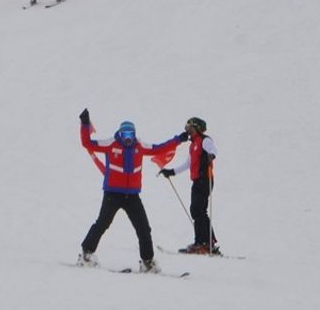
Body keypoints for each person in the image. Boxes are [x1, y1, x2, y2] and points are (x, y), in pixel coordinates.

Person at [76, 109, 180, 272]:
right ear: (120, 133)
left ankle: (147, 262)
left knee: (144, 228)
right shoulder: (110, 144)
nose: (128, 137)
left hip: (132, 196)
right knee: (102, 223)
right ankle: (86, 254)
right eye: (125, 133)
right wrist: (85, 124)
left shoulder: (140, 146)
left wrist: (178, 139)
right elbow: (87, 143)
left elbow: (159, 148)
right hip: (112, 194)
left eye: (130, 133)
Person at [159, 117, 217, 254]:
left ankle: (204, 243)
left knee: (199, 210)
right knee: (196, 210)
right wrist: (171, 172)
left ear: (197, 128)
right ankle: (204, 242)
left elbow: (213, 150)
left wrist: (212, 156)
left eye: (190, 127)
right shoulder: (193, 144)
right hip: (197, 180)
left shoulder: (204, 140)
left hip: (205, 179)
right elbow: (188, 164)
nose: (187, 130)